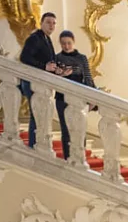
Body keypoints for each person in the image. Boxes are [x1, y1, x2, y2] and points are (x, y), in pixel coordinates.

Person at [48, 28, 95, 163]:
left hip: (79, 97)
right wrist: (59, 73)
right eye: (63, 43)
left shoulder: (82, 58)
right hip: (62, 98)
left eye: (69, 43)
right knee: (65, 128)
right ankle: (68, 158)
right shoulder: (56, 58)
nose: (66, 46)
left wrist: (92, 97)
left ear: (73, 42)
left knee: (80, 128)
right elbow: (51, 77)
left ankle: (80, 158)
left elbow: (87, 77)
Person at [19, 10, 58, 149]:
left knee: (40, 115)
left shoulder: (47, 39)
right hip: (32, 83)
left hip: (41, 83)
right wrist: (44, 66)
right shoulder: (35, 38)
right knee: (37, 114)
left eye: (54, 23)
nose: (51, 26)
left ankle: (36, 145)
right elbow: (24, 57)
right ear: (41, 23)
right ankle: (33, 146)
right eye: (48, 22)